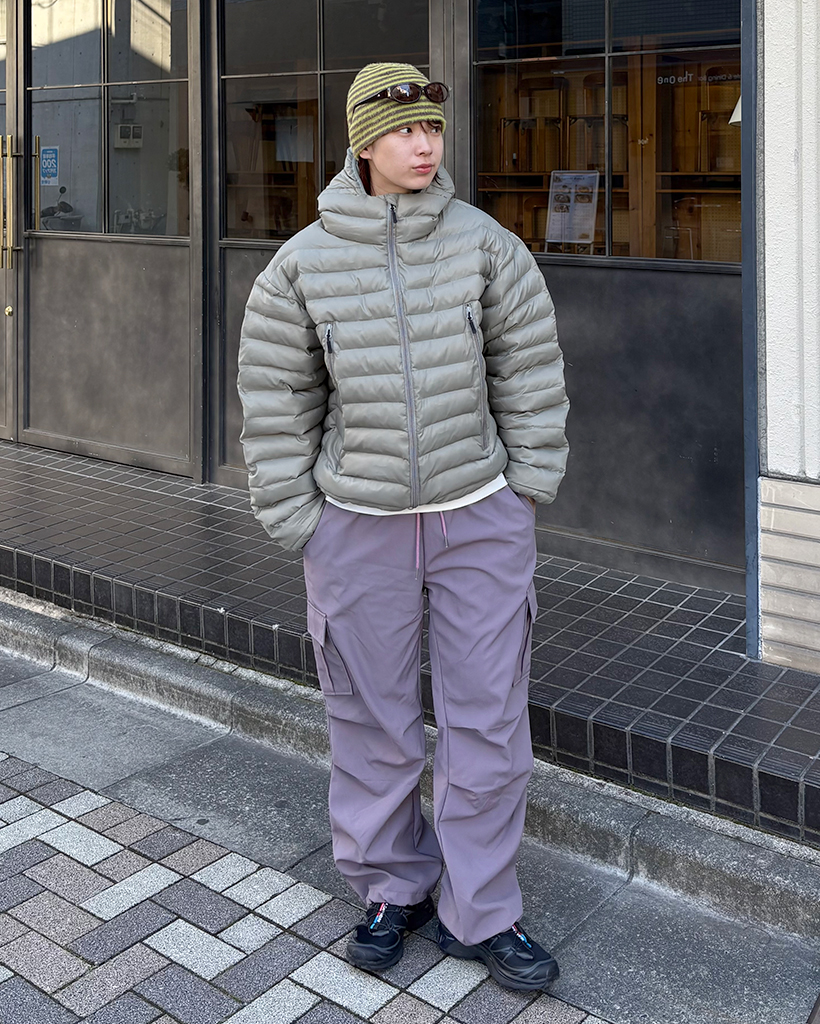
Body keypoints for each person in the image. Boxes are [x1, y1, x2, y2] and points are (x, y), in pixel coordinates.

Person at [238, 62, 569, 992]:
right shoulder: (302, 264)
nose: (424, 146)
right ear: (362, 142)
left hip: (478, 519)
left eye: (432, 129)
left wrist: (524, 489)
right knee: (370, 719)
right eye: (403, 130)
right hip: (358, 528)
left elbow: (530, 369)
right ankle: (393, 887)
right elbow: (276, 397)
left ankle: (483, 910)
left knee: (488, 722)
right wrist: (298, 517)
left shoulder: (485, 245)